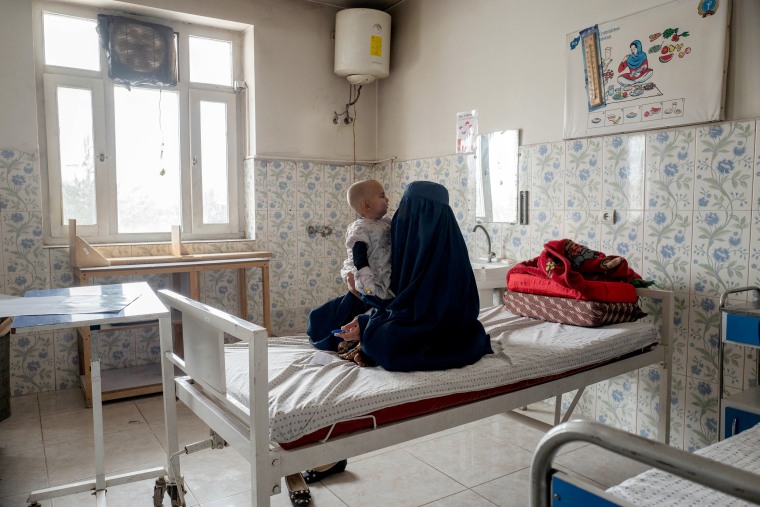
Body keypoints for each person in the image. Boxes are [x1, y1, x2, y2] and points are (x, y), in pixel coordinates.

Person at [325, 180, 493, 372]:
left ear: (426, 214)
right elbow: (401, 294)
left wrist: (370, 325)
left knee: (387, 341)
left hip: (442, 326)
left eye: (409, 208)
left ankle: (368, 342)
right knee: (335, 313)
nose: (401, 214)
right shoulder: (414, 237)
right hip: (411, 314)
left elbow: (430, 312)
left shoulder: (447, 255)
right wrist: (368, 316)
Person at [342, 179, 394, 306]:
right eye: (382, 196)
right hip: (369, 282)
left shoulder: (385, 222)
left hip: (384, 277)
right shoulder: (360, 229)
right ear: (366, 205)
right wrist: (366, 280)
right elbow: (359, 257)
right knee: (378, 302)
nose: (387, 199)